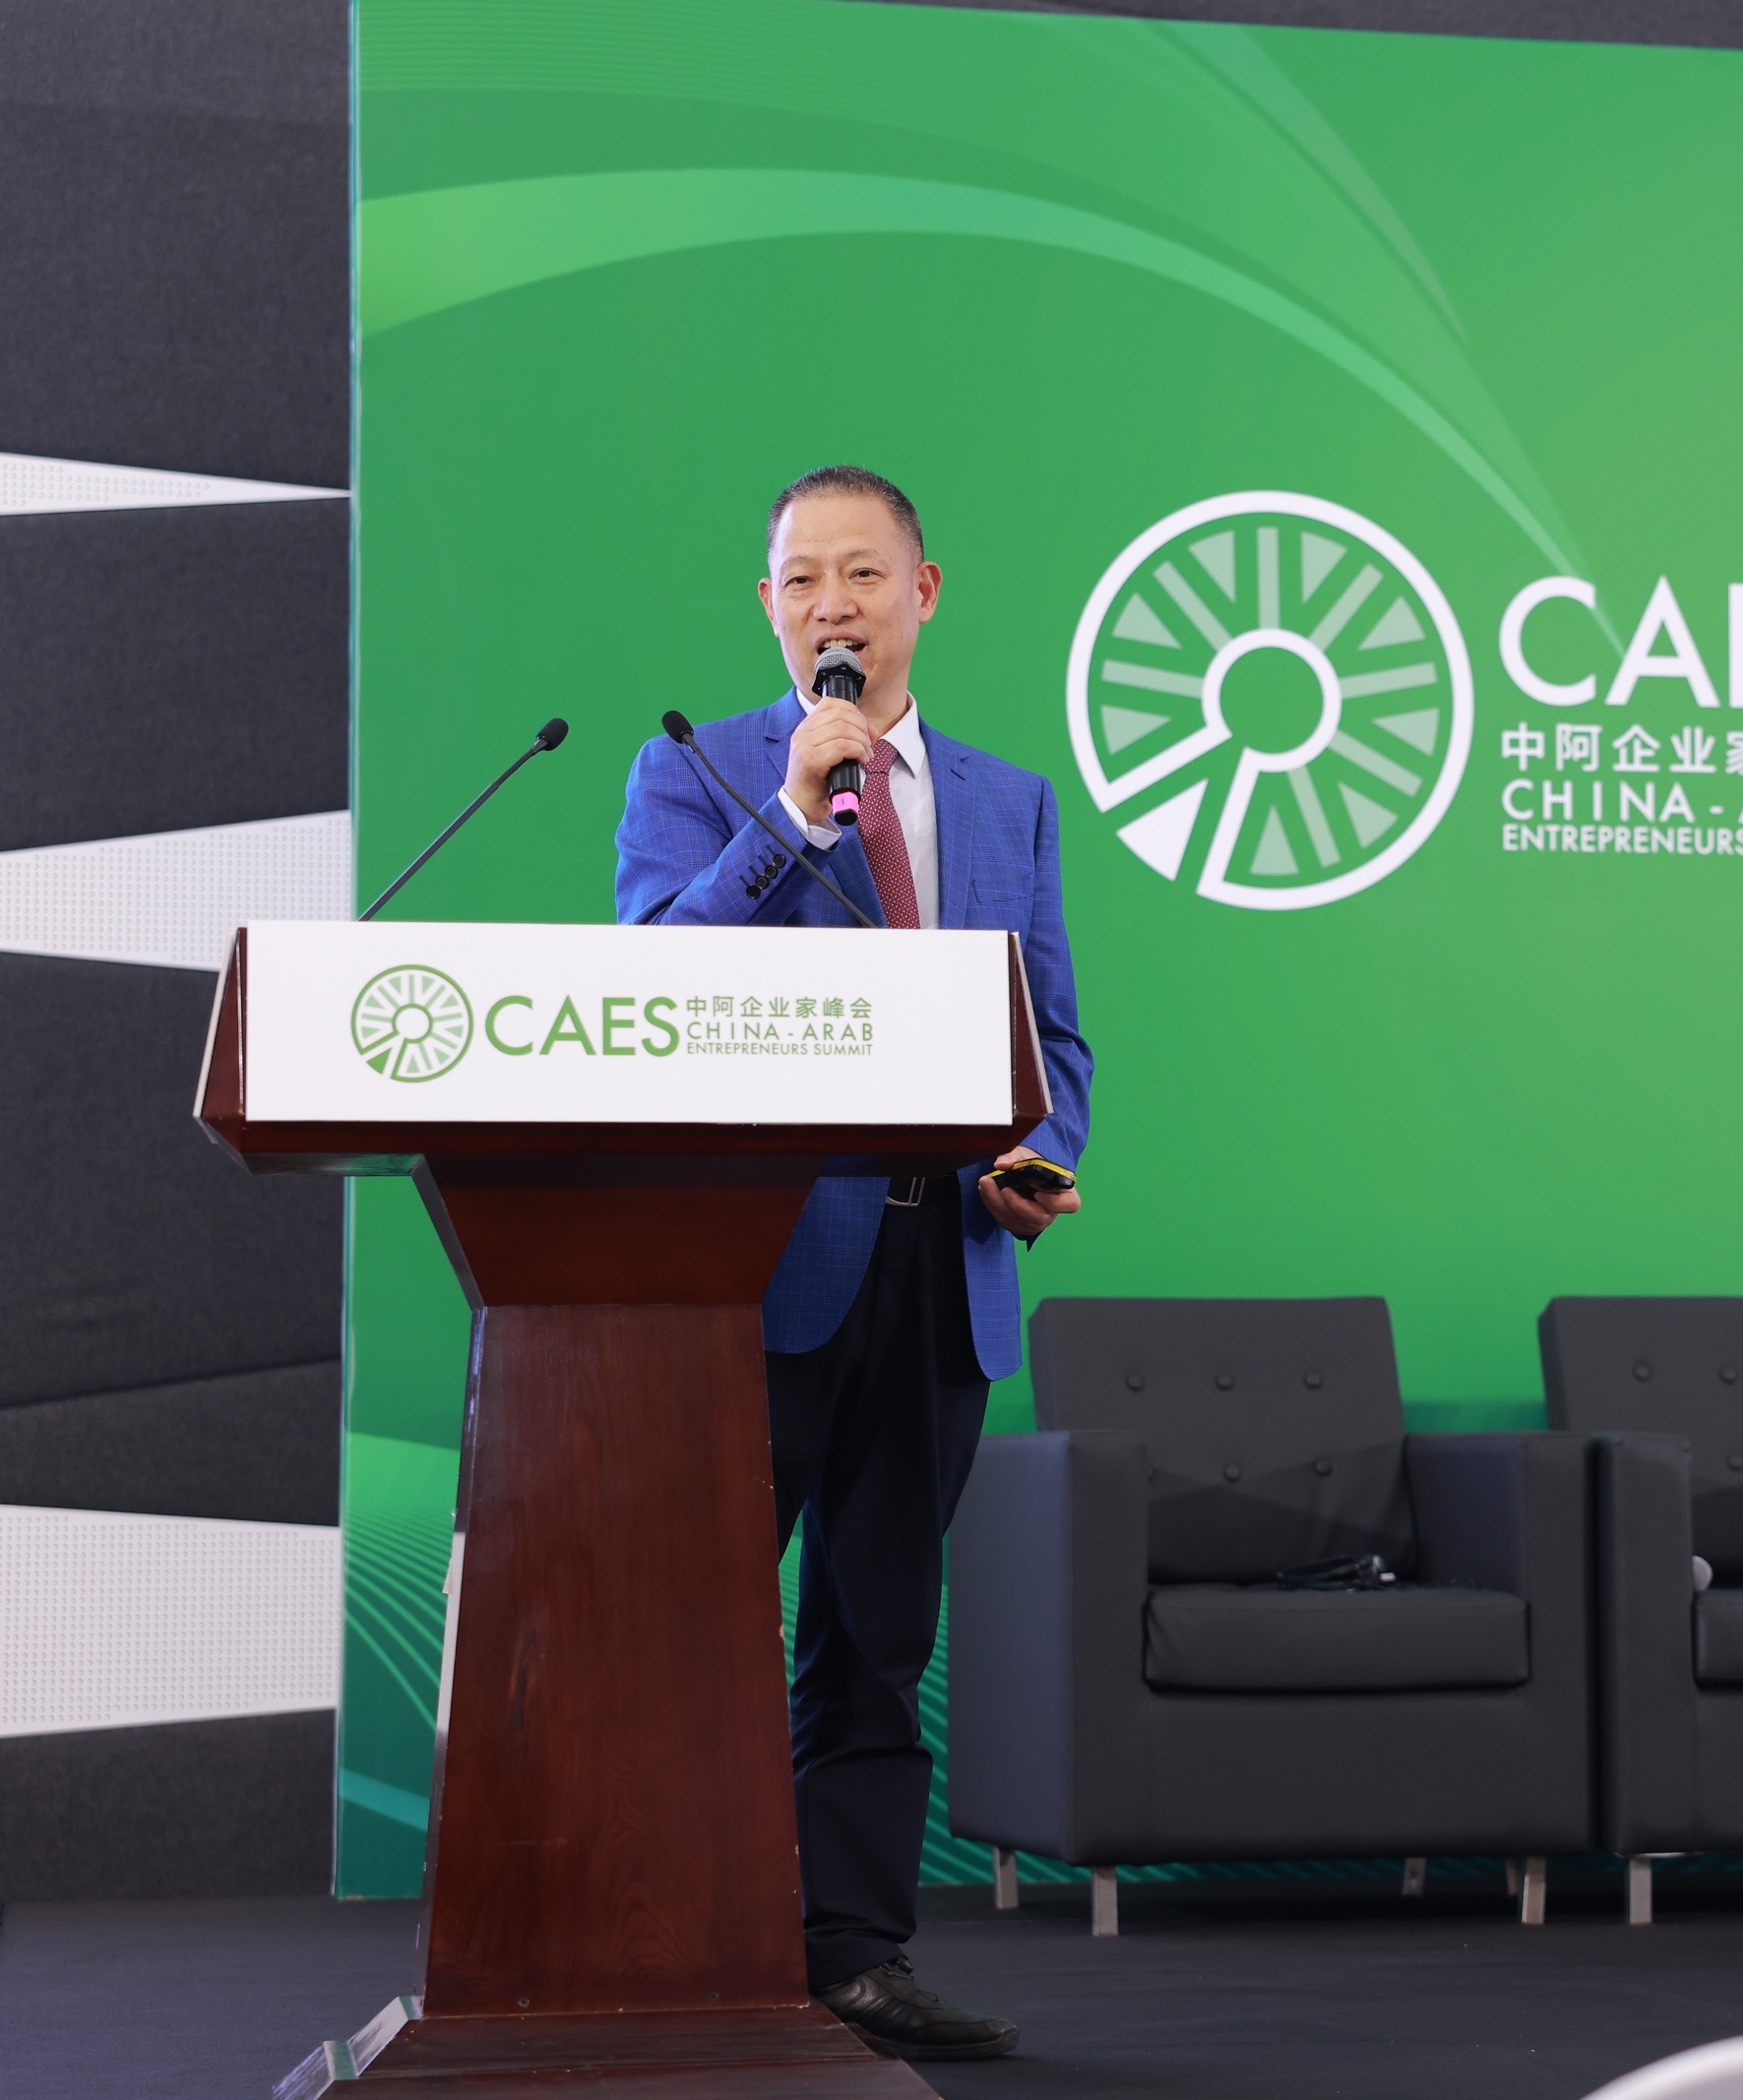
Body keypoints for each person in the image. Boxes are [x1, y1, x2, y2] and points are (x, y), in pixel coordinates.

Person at [614, 463, 1090, 2062]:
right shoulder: (698, 768)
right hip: (756, 1267)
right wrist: (784, 812)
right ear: (769, 606)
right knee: (697, 1625)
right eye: (803, 578)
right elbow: (653, 985)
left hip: (942, 1265)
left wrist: (1040, 1155)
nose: (833, 603)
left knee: (878, 1637)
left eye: (863, 574)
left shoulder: (1012, 802)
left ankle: (854, 1956)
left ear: (923, 593)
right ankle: (663, 1938)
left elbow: (1053, 1035)